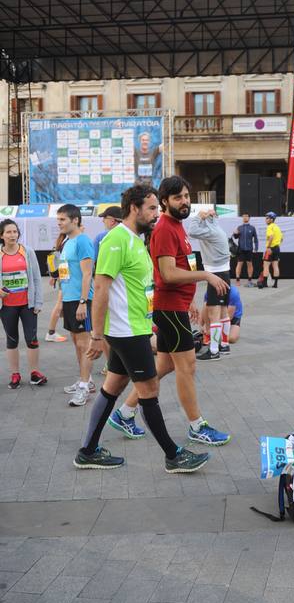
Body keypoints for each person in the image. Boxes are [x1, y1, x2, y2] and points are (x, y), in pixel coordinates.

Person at [74, 183, 210, 473]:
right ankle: (173, 455)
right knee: (149, 389)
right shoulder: (116, 240)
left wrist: (150, 325)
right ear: (134, 208)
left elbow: (139, 289)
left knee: (113, 385)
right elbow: (101, 289)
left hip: (136, 327)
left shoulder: (136, 239)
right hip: (125, 333)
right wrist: (96, 336)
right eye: (151, 208)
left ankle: (87, 451)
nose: (156, 214)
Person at [108, 176, 230, 445]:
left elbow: (180, 267)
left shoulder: (177, 225)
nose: (184, 202)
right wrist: (206, 276)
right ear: (164, 202)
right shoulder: (164, 228)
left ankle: (125, 413)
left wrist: (190, 300)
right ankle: (197, 426)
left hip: (176, 305)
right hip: (168, 309)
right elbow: (167, 273)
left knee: (163, 365)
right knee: (187, 366)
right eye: (178, 198)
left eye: (186, 196)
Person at [56, 204, 95, 406]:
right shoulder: (67, 242)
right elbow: (66, 273)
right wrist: (63, 301)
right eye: (58, 219)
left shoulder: (83, 242)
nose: (59, 223)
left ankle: (83, 388)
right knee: (76, 342)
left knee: (84, 343)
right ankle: (85, 380)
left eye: (62, 219)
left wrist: (82, 302)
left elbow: (88, 273)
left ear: (76, 220)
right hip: (70, 299)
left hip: (82, 300)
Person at [0, 219, 47, 389]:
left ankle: (34, 373)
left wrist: (39, 301)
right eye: (9, 232)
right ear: (2, 236)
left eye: (15, 232)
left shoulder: (27, 251)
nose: (13, 235)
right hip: (7, 306)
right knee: (12, 340)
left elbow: (36, 277)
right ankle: (15, 374)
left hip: (27, 304)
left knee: (32, 339)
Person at [188, 207, 231, 360]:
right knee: (224, 312)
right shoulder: (217, 228)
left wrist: (199, 216)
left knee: (214, 316)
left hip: (216, 275)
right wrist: (208, 217)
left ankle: (213, 351)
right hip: (224, 273)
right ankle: (224, 345)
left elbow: (192, 231)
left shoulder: (211, 232)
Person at [199, 282, 243, 349]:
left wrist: (213, 328)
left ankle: (212, 334)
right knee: (206, 305)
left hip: (232, 316)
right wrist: (202, 326)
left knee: (232, 338)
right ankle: (209, 332)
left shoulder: (233, 293)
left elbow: (229, 316)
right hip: (215, 314)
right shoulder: (210, 291)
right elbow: (204, 309)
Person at [45, 233, 67, 343]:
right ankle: (51, 332)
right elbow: (63, 263)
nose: (82, 227)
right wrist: (62, 279)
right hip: (66, 278)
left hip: (63, 277)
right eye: (80, 225)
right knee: (59, 305)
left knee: (61, 305)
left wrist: (55, 276)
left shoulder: (61, 241)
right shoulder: (68, 242)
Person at [233, 213, 259, 286]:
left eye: (246, 216)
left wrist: (256, 247)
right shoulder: (239, 227)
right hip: (241, 249)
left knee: (249, 264)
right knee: (239, 264)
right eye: (243, 216)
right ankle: (237, 280)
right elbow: (235, 237)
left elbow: (256, 239)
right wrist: (235, 233)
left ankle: (249, 280)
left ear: (249, 218)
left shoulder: (252, 228)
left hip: (249, 249)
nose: (245, 217)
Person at [261, 211, 283, 288]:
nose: (265, 220)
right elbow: (282, 239)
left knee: (266, 266)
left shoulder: (270, 227)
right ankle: (275, 284)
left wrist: (268, 247)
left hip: (270, 248)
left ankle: (265, 283)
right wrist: (276, 245)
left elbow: (271, 237)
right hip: (277, 248)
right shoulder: (277, 227)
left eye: (267, 218)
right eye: (266, 218)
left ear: (271, 219)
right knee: (275, 266)